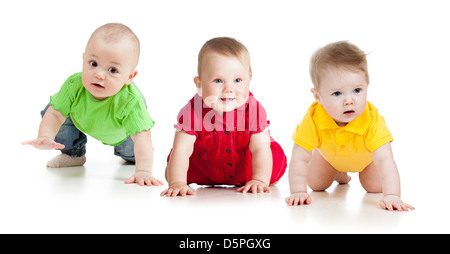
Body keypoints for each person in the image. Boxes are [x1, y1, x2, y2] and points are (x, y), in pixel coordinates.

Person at [22, 23, 163, 187]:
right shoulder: (74, 85)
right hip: (82, 120)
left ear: (130, 77)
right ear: (83, 59)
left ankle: (135, 158)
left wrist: (143, 171)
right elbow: (54, 115)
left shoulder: (131, 101)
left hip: (124, 135)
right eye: (93, 63)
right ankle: (74, 153)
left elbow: (142, 137)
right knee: (52, 109)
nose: (99, 74)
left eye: (112, 70)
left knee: (135, 155)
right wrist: (45, 136)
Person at [285, 41, 414, 211]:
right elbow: (299, 157)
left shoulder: (371, 120)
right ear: (318, 96)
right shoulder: (314, 118)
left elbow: (384, 160)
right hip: (329, 158)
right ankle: (338, 172)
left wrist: (392, 196)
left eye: (357, 90)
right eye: (337, 93)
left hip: (367, 161)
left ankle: (344, 173)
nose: (349, 100)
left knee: (374, 186)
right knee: (316, 184)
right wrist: (298, 191)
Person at [161, 37, 286, 197]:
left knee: (268, 168)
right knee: (174, 170)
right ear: (199, 84)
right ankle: (177, 176)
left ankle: (259, 178)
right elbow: (182, 150)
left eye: (237, 80)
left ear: (249, 80)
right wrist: (177, 182)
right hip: (206, 168)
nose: (229, 89)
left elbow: (260, 148)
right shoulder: (192, 112)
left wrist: (260, 179)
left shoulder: (253, 109)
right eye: (218, 80)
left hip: (246, 169)